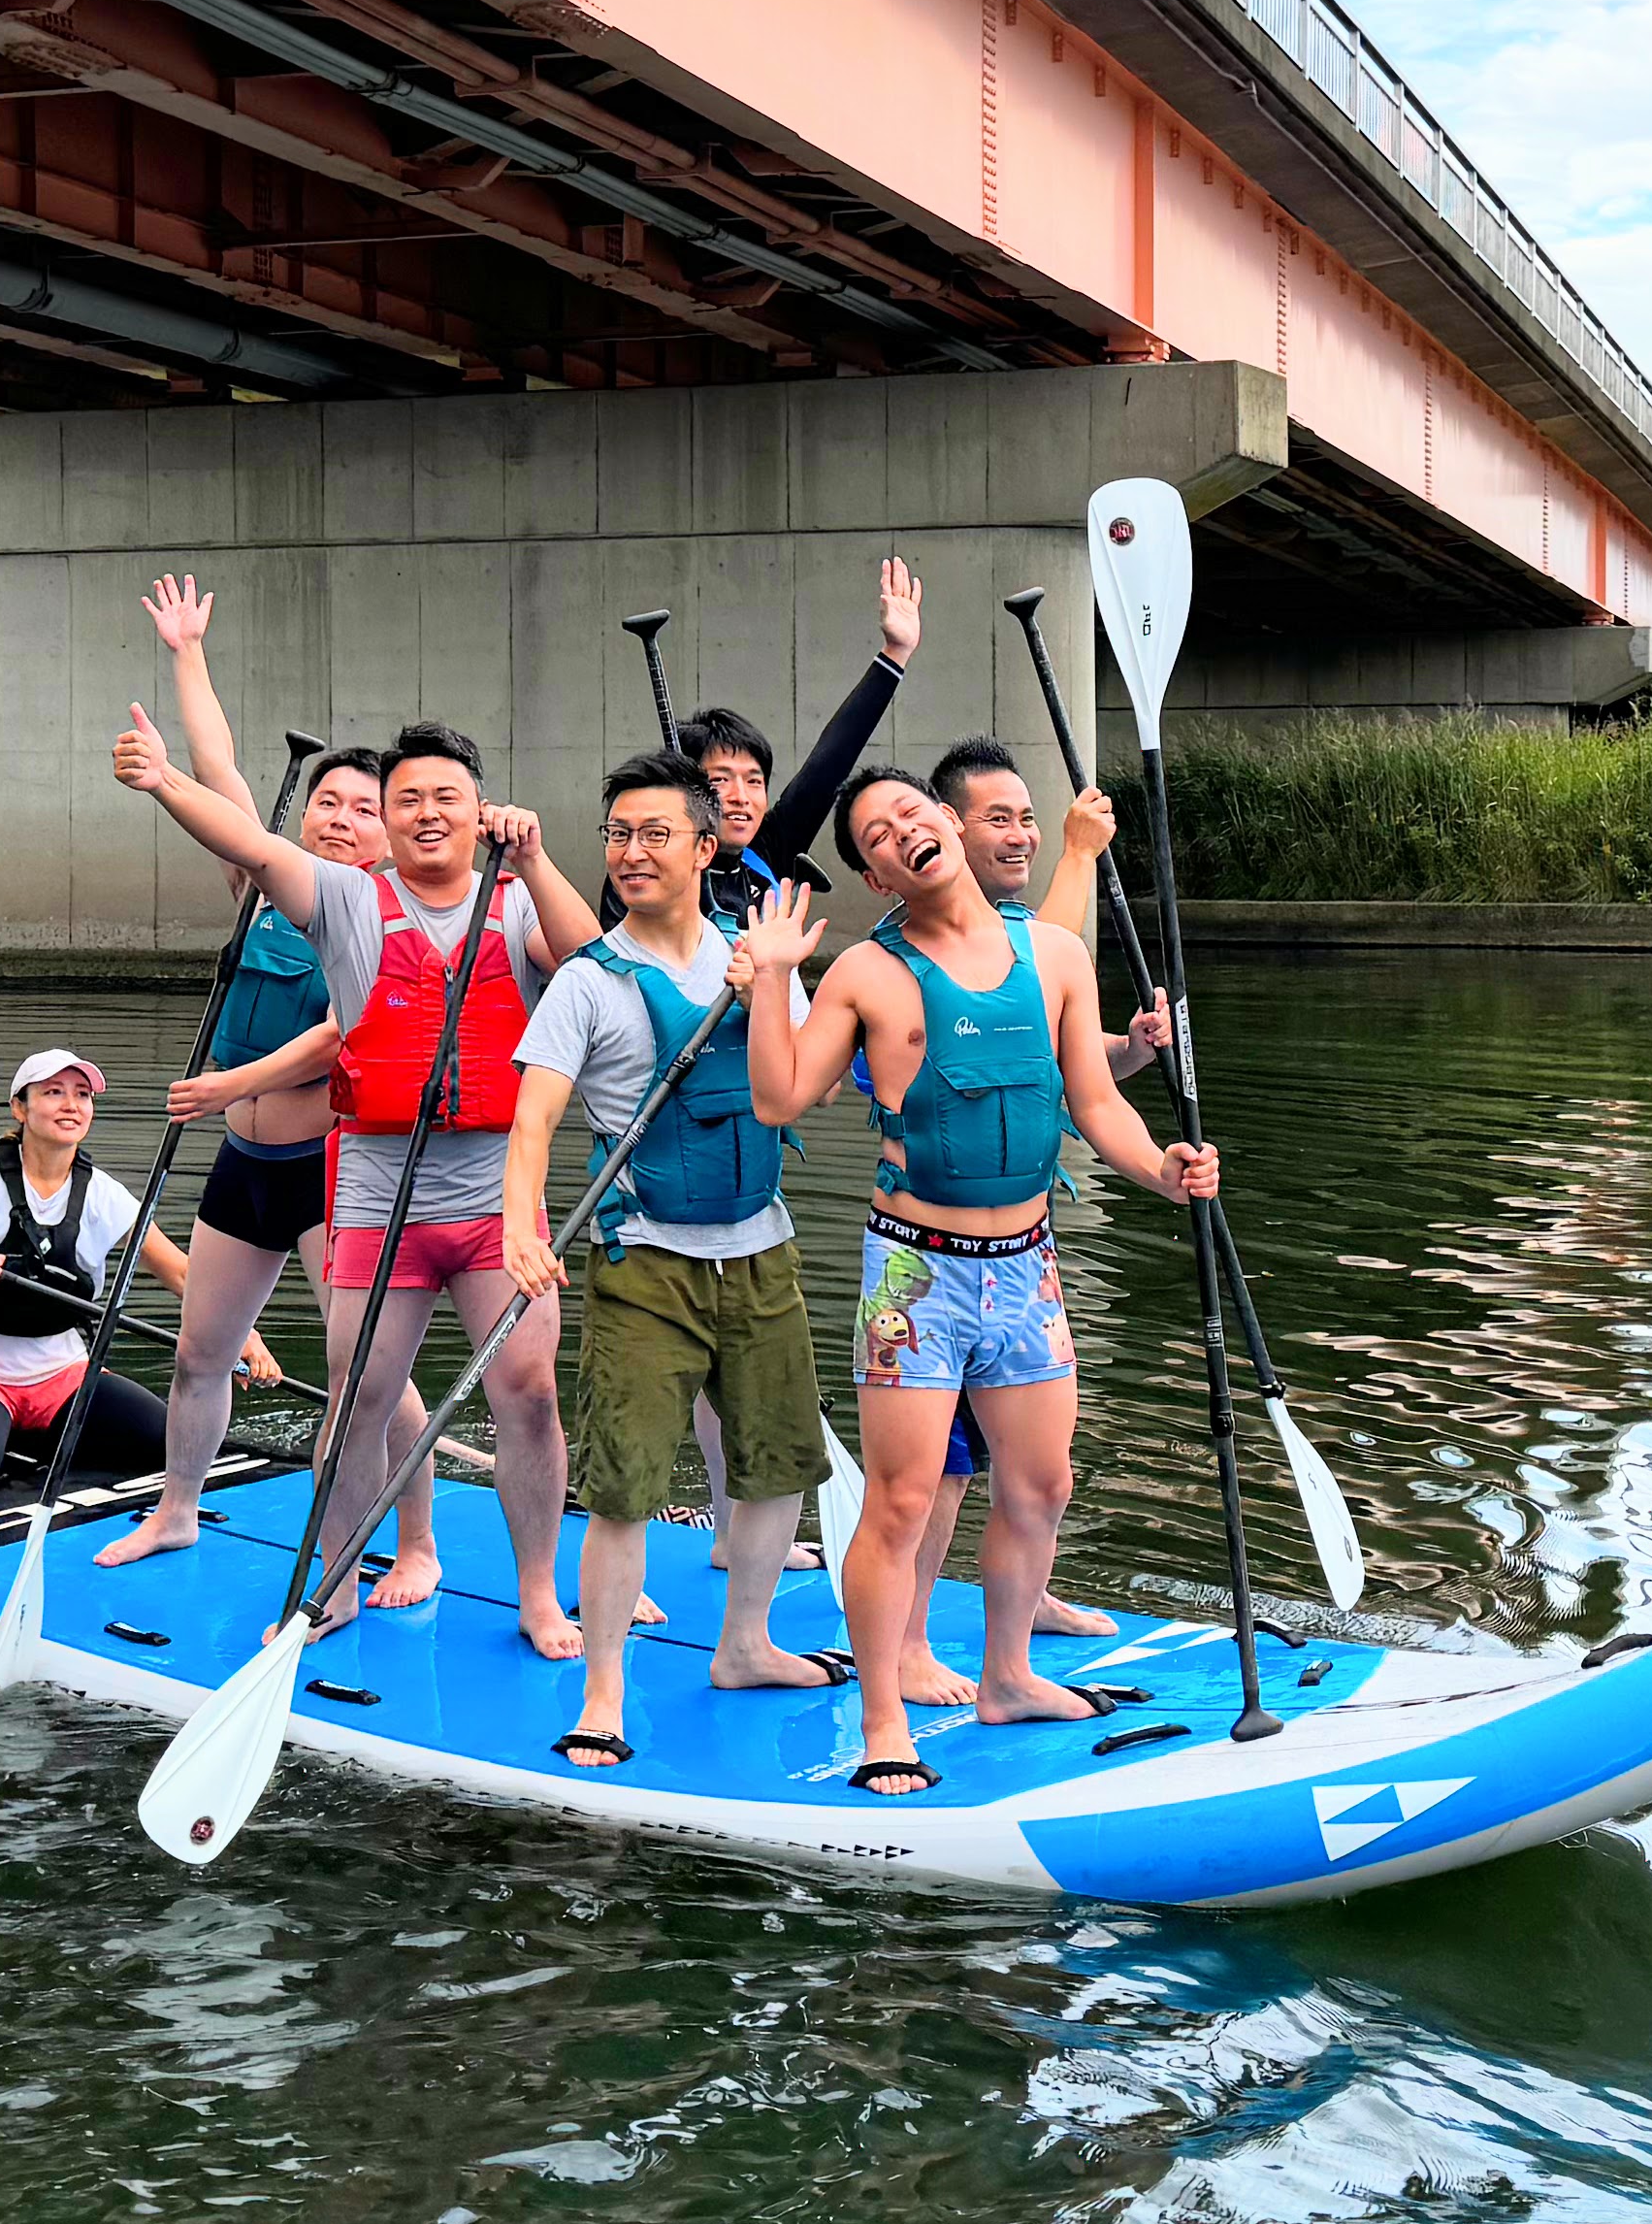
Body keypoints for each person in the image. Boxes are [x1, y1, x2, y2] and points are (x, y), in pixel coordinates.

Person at [745, 769, 1219, 1797]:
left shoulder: (1051, 953)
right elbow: (781, 1100)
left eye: (913, 810)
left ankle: (1007, 1674)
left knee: (1042, 1484)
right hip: (915, 1274)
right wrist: (766, 986)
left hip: (1026, 1269)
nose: (903, 829)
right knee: (903, 1502)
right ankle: (882, 1720)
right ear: (876, 875)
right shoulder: (864, 976)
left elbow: (1093, 1100)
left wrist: (1162, 1172)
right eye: (879, 833)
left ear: (949, 824)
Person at [115, 686, 600, 1646]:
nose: (426, 813)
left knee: (531, 1397)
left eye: (446, 797)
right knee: (360, 1396)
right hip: (381, 1196)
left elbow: (594, 964)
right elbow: (252, 844)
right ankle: (331, 1583)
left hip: (498, 1197)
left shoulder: (516, 904)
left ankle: (539, 1591)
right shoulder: (344, 899)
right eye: (407, 797)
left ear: (478, 810)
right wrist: (166, 781)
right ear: (388, 820)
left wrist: (539, 861)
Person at [502, 757, 851, 1765]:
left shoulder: (760, 953)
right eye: (616, 834)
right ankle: (603, 1692)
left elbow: (808, 1095)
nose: (630, 852)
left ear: (708, 849)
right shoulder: (585, 981)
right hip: (646, 1261)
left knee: (779, 1465)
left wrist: (775, 981)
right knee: (625, 1487)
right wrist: (521, 1228)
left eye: (656, 833)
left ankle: (744, 1644)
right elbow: (534, 1124)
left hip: (763, 1252)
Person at [108, 581, 437, 1582]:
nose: (340, 820)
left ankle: (415, 1545)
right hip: (243, 1165)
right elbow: (219, 772)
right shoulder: (264, 882)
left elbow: (342, 1036)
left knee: (372, 1374)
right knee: (199, 1354)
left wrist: (223, 1083)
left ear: (391, 832)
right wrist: (187, 654)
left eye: (362, 809)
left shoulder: (386, 921)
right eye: (329, 803)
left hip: (331, 1168)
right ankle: (176, 1510)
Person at [870, 735, 1175, 1631]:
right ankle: (914, 1633)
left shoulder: (1038, 946)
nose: (1023, 836)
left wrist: (1135, 1054)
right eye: (997, 819)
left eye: (1030, 820)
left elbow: (1059, 1076)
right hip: (928, 1257)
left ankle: (1024, 1604)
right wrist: (1082, 854)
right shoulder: (897, 964)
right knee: (943, 1470)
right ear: (945, 830)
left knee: (1034, 1464)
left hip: (1022, 1253)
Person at [0, 1048, 268, 1504]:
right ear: (20, 1108)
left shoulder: (108, 1196)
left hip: (63, 1374)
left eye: (82, 1095)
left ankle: (22, 1431)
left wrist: (242, 1335)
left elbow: (184, 1273)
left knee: (169, 1443)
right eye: (53, 1093)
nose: (71, 1105)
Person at [672, 556, 925, 930]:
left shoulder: (769, 847)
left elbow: (830, 763)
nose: (742, 796)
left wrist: (896, 654)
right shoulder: (653, 871)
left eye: (754, 781)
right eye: (720, 781)